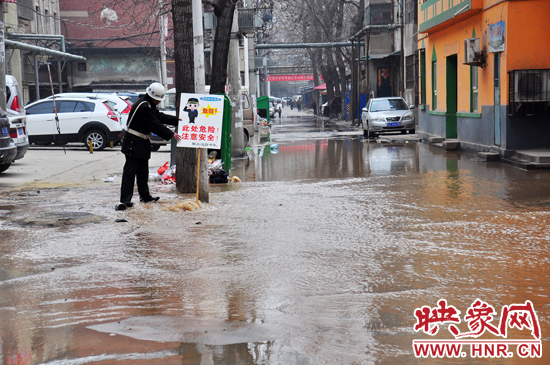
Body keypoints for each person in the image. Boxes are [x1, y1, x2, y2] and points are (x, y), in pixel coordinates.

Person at [116, 82, 181, 211]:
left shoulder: (148, 104)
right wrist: (171, 134)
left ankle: (145, 196)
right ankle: (125, 199)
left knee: (142, 172)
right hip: (133, 142)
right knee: (130, 172)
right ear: (154, 97)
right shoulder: (143, 106)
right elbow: (154, 123)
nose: (159, 102)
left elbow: (159, 116)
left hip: (141, 141)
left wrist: (176, 120)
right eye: (158, 99)